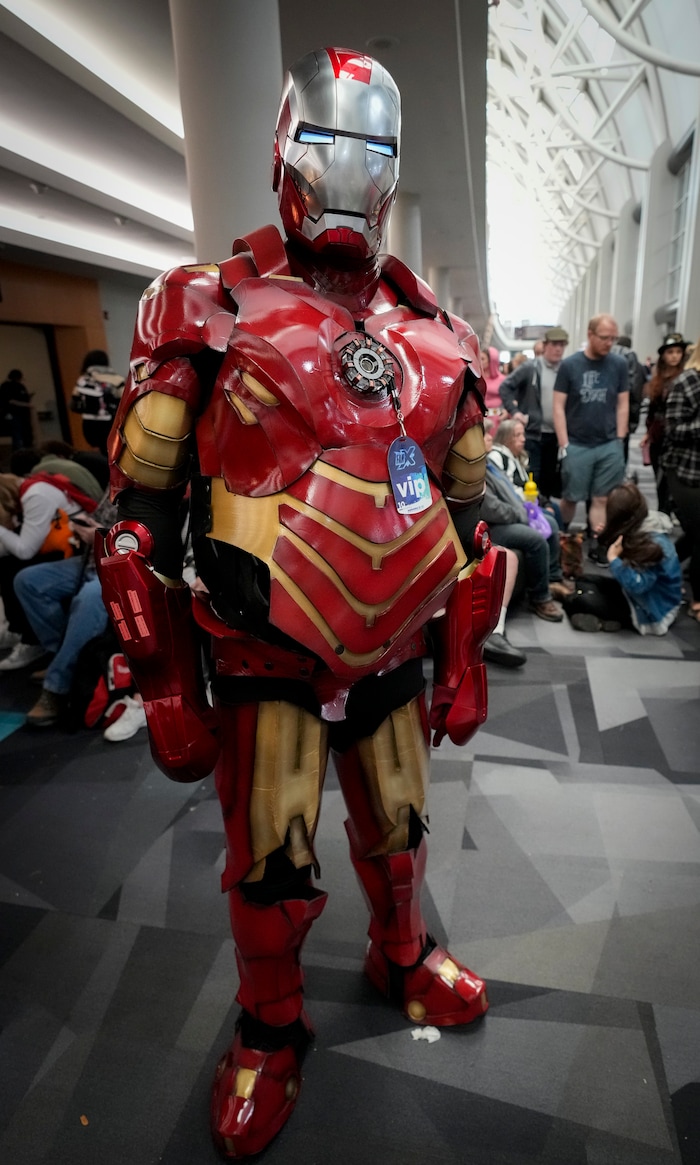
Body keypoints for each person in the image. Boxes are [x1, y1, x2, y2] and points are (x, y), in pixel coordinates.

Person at [95, 46, 504, 1159]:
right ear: (283, 147)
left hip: (393, 649)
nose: (348, 171)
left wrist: (463, 656)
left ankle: (402, 954)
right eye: (325, 143)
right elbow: (136, 519)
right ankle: (271, 1027)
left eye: (372, 150)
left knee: (401, 834)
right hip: (263, 639)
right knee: (271, 857)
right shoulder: (209, 305)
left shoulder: (438, 337)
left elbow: (469, 527)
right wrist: (166, 677)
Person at [15, 491, 118, 727]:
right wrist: (86, 527)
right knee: (28, 581)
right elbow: (101, 519)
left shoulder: (156, 483)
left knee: (90, 597)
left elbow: (147, 541)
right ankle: (63, 657)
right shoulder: (115, 479)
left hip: (122, 566)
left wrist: (101, 535)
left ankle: (58, 686)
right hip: (93, 558)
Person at [0, 469, 96, 670]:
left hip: (81, 550)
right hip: (74, 546)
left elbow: (25, 549)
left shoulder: (35, 495)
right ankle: (31, 635)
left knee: (16, 570)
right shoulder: (32, 487)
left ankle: (50, 647)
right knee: (11, 566)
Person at [552, 313, 629, 557]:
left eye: (613, 339)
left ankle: (597, 541)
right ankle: (561, 537)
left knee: (602, 499)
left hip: (608, 444)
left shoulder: (619, 365)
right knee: (571, 498)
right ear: (590, 335)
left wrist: (620, 439)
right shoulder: (570, 365)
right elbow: (558, 406)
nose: (610, 343)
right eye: (605, 338)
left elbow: (623, 403)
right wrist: (565, 443)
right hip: (577, 444)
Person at [565, 482, 682, 635]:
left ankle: (593, 614)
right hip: (634, 596)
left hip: (650, 610)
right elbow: (628, 555)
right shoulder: (639, 525)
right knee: (584, 581)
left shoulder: (654, 545)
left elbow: (638, 585)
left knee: (583, 600)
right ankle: (599, 617)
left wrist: (614, 559)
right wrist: (607, 538)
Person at [481, 425, 567, 621]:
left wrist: (524, 511)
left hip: (513, 514)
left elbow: (510, 492)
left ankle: (552, 578)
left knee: (551, 523)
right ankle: (540, 598)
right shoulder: (478, 470)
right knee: (535, 539)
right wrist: (520, 515)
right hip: (491, 526)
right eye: (485, 435)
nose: (489, 439)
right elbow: (491, 509)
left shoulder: (488, 465)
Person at [500, 325, 569, 498]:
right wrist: (515, 411)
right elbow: (505, 387)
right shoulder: (531, 368)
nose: (558, 349)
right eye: (554, 344)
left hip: (556, 435)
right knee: (533, 477)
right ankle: (535, 515)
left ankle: (546, 513)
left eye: (562, 345)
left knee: (550, 480)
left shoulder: (566, 369)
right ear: (545, 345)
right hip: (533, 434)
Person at [661, 336, 700, 623]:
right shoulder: (687, 382)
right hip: (686, 472)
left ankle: (662, 564)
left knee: (695, 535)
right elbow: (673, 430)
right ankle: (696, 597)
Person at [640, 332, 688, 514]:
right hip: (658, 436)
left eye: (678, 351)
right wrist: (648, 433)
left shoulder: (687, 379)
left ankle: (671, 511)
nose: (674, 356)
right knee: (659, 480)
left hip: (677, 438)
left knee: (672, 481)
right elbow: (652, 411)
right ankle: (663, 512)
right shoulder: (657, 380)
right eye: (670, 352)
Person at [70, 350, 125, 455]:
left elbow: (74, 404)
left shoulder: (84, 380)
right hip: (111, 422)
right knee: (113, 451)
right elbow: (124, 402)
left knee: (97, 452)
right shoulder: (117, 379)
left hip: (90, 424)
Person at [0, 369, 34, 450]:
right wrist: (26, 404)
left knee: (26, 434)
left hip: (24, 415)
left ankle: (27, 449)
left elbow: (24, 397)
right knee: (17, 435)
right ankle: (19, 451)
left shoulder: (21, 386)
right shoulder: (6, 386)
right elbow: (10, 400)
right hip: (13, 414)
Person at [479, 345, 506, 414]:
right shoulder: (476, 378)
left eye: (482, 359)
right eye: (478, 358)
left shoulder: (503, 380)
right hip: (479, 418)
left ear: (492, 361)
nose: (480, 361)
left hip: (497, 417)